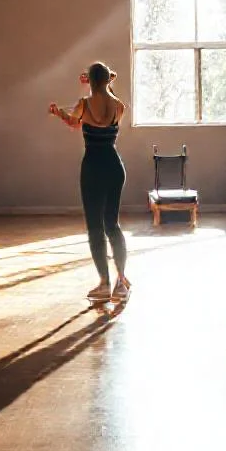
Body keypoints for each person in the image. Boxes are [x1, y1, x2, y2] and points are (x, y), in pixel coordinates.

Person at [48, 62, 132, 303]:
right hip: (114, 167)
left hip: (92, 167)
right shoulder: (118, 106)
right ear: (108, 80)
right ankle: (121, 282)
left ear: (90, 81)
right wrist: (104, 82)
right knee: (112, 225)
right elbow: (108, 92)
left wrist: (57, 112)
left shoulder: (83, 105)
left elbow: (73, 124)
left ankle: (104, 284)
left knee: (95, 228)